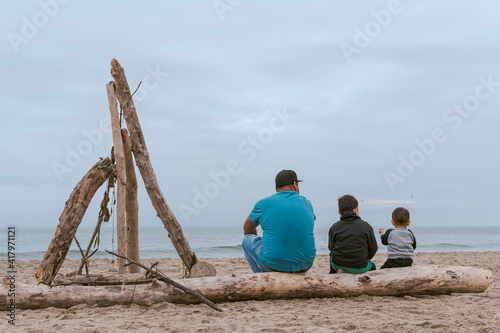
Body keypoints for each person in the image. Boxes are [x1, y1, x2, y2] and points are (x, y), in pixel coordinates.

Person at [242, 169, 316, 273]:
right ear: (295, 185)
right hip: (305, 264)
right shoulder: (307, 203)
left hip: (272, 266)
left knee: (247, 239)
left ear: (276, 187)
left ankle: (260, 275)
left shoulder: (263, 203)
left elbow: (247, 228)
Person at [328, 195, 378, 274]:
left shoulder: (334, 227)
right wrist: (366, 258)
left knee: (331, 254)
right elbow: (373, 248)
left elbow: (331, 247)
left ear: (339, 212)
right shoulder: (366, 226)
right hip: (360, 266)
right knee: (373, 266)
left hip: (338, 265)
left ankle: (332, 273)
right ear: (356, 210)